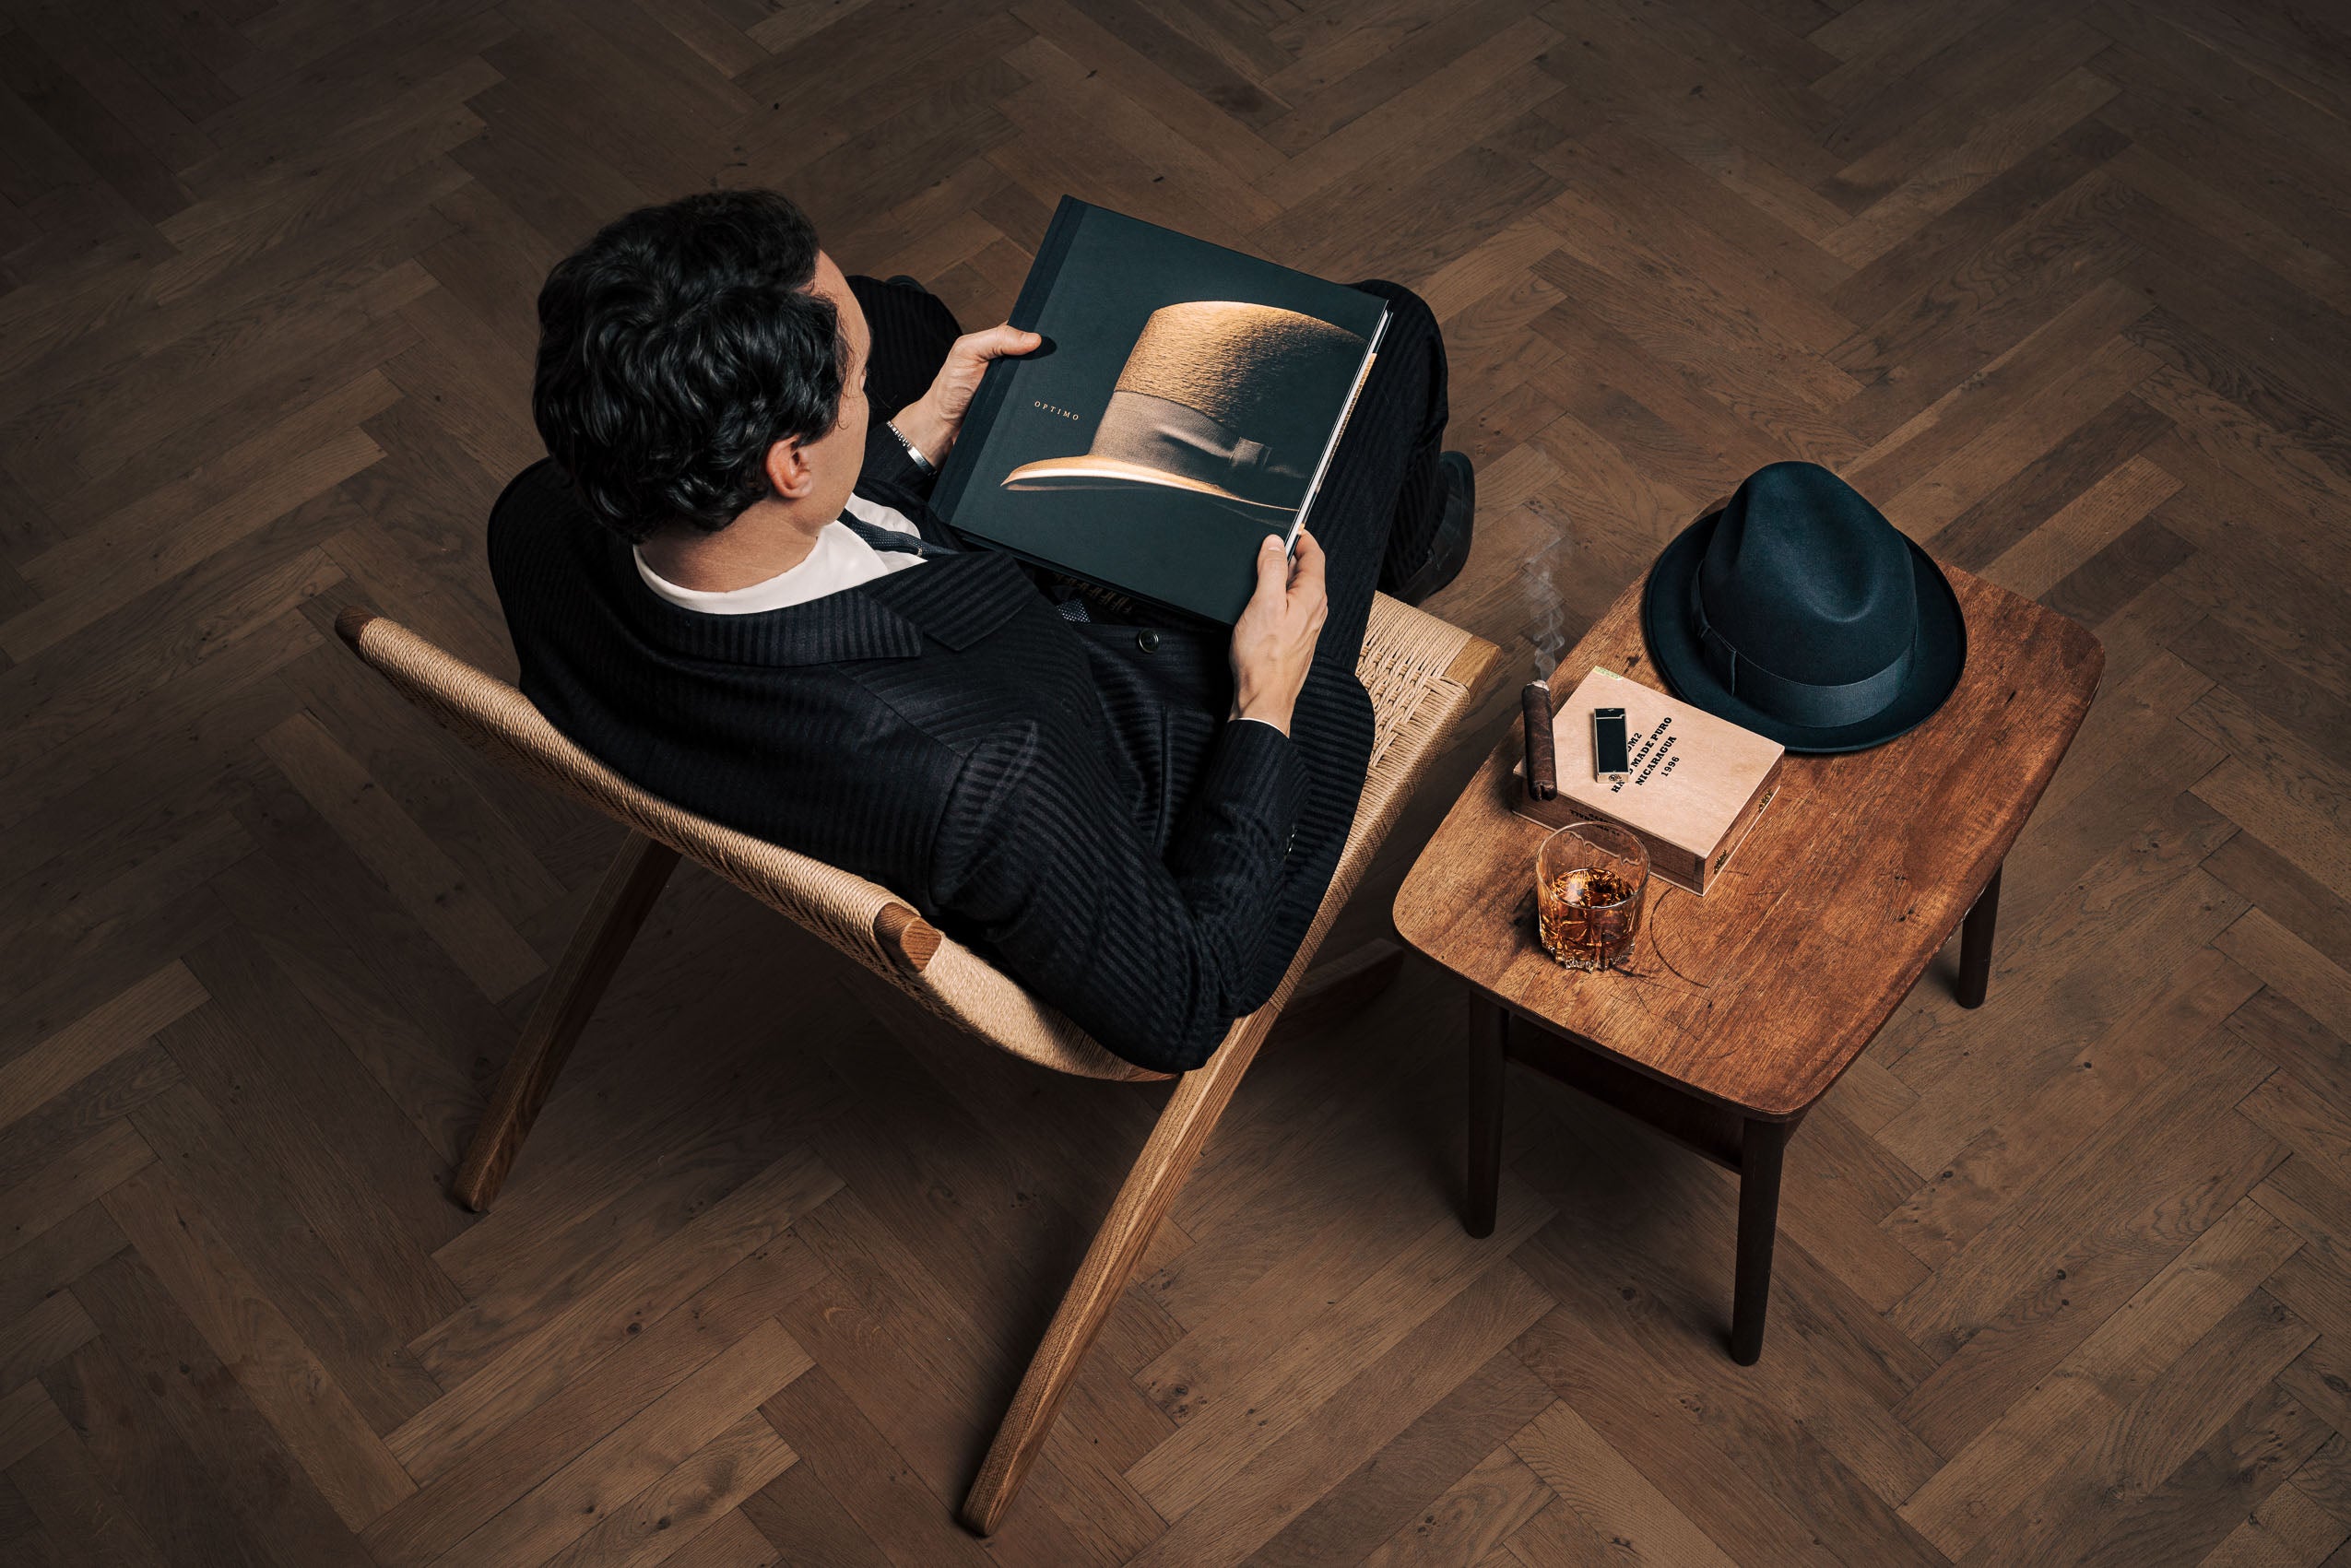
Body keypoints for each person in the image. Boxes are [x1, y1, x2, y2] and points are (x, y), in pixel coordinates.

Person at [491, 190, 1473, 1074]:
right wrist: (1266, 700)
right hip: (1149, 741)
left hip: (910, 655)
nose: (871, 398)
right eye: (858, 387)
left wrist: (905, 447)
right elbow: (1185, 1005)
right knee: (1391, 328)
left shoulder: (537, 516)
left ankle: (1399, 523)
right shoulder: (988, 774)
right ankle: (1410, 541)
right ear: (789, 465)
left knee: (913, 312)